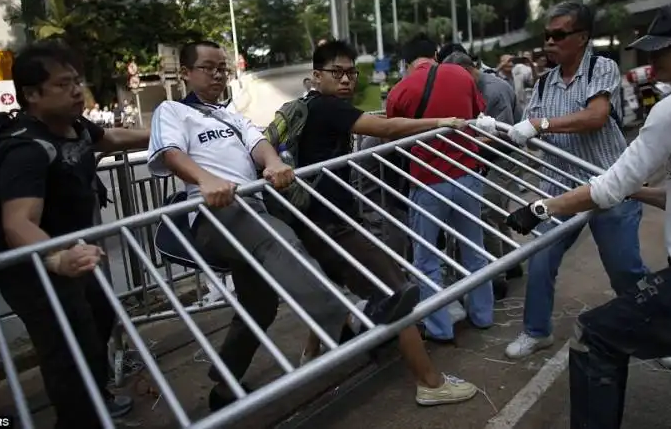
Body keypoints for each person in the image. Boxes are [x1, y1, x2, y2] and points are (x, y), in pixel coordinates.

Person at [505, 0, 671, 429]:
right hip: (581, 189)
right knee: (542, 261)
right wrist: (643, 193)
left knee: (600, 320)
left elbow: (606, 171)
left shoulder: (669, 101)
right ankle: (537, 330)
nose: (652, 60)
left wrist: (540, 207)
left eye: (662, 49)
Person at [148, 40, 415, 412]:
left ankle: (223, 386)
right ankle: (343, 327)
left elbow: (260, 144)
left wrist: (272, 163)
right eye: (208, 67)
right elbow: (169, 153)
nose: (217, 74)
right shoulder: (173, 111)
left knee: (260, 305)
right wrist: (204, 179)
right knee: (282, 241)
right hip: (216, 215)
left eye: (222, 67)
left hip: (251, 212)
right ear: (187, 73)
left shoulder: (230, 115)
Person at [480, 1, 671, 368]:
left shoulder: (600, 67)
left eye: (559, 34)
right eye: (547, 35)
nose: (549, 41)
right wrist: (494, 130)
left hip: (611, 185)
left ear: (582, 37)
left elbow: (595, 116)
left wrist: (541, 125)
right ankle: (536, 330)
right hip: (560, 188)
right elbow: (528, 129)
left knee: (625, 269)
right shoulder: (544, 82)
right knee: (541, 259)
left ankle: (660, 337)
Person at [289, 39, 479, 406]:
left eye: (350, 72)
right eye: (336, 73)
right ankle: (430, 382)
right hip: (335, 226)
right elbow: (388, 129)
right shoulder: (329, 108)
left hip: (319, 222)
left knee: (339, 286)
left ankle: (313, 353)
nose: (346, 80)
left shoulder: (311, 107)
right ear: (316, 76)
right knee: (395, 292)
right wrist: (441, 122)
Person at [0, 41, 151, 429]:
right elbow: (18, 223)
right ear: (32, 95)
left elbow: (108, 139)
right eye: (63, 84)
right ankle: (79, 417)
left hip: (71, 257)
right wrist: (56, 258)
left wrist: (163, 135)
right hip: (31, 265)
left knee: (98, 317)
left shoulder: (73, 129)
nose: (77, 90)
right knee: (68, 348)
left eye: (77, 81)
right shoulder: (26, 148)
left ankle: (94, 402)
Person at [387, 34, 494, 344]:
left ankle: (439, 329)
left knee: (426, 260)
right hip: (467, 177)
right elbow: (477, 115)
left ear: (406, 63)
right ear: (435, 54)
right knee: (474, 250)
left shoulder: (400, 91)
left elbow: (392, 137)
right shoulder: (461, 74)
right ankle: (483, 316)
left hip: (427, 185)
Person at [441, 50, 523, 297]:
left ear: (467, 71)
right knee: (496, 213)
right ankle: (512, 259)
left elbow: (503, 135)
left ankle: (496, 275)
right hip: (483, 157)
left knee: (486, 208)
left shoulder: (495, 90)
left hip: (507, 157)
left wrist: (463, 143)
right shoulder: (469, 88)